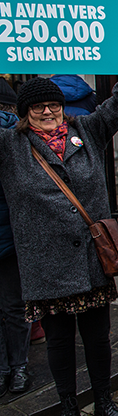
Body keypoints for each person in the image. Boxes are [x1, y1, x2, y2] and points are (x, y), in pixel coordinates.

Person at [0, 40, 118, 416]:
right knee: (60, 343)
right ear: (24, 112)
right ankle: (69, 408)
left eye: (53, 105)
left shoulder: (87, 130)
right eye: (38, 107)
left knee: (97, 336)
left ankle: (103, 400)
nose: (48, 112)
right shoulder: (10, 147)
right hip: (45, 266)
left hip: (91, 260)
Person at [0, 80, 28, 397]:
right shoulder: (19, 136)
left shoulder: (14, 139)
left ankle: (10, 367)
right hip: (12, 234)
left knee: (10, 305)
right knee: (13, 305)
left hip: (9, 232)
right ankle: (16, 367)